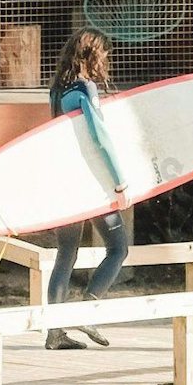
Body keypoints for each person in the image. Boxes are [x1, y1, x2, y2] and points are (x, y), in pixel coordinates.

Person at [44, 28, 131, 350]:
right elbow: (100, 138)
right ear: (92, 55)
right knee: (118, 248)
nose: (106, 59)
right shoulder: (85, 89)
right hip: (90, 184)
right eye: (104, 53)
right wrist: (119, 181)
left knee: (66, 254)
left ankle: (54, 333)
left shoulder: (57, 89)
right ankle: (85, 311)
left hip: (63, 182)